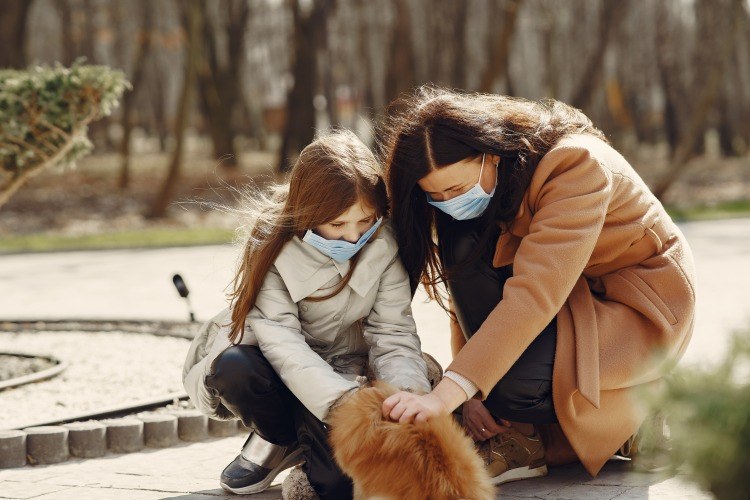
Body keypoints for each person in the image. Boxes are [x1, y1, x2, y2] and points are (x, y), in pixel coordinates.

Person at [379, 86, 696, 484]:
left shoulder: (575, 165)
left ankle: (641, 406)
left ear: (490, 154)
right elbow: (470, 291)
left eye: (457, 189)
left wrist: (446, 395)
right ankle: (534, 436)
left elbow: (533, 294)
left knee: (511, 386)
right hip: (574, 300)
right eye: (436, 195)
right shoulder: (486, 190)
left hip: (638, 307)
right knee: (489, 377)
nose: (448, 200)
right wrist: (472, 394)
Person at [182, 130, 432, 499]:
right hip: (280, 373)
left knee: (337, 486)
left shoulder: (385, 244)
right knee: (235, 367)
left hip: (346, 371)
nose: (352, 237)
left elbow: (393, 333)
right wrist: (344, 404)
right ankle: (277, 438)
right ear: (309, 212)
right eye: (337, 224)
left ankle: (307, 448)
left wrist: (407, 399)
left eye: (365, 221)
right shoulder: (271, 247)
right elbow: (282, 344)